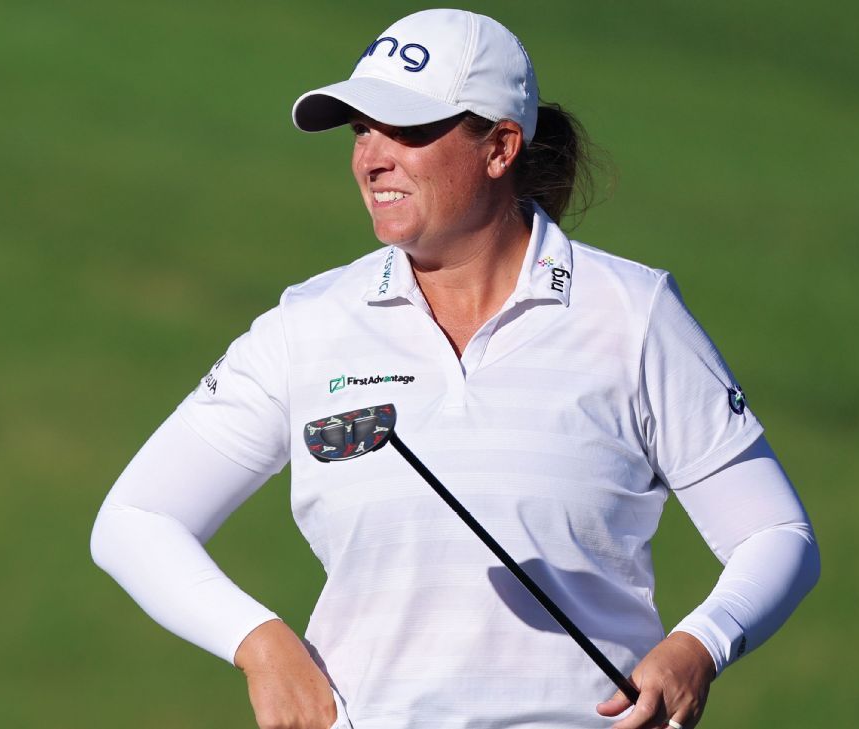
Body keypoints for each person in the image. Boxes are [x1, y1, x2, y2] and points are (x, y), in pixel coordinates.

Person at [91, 8, 820, 729]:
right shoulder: (307, 324)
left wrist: (699, 646)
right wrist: (259, 644)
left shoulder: (632, 315)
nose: (370, 157)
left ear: (500, 146)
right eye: (360, 130)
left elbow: (775, 534)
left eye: (404, 130)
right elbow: (136, 520)